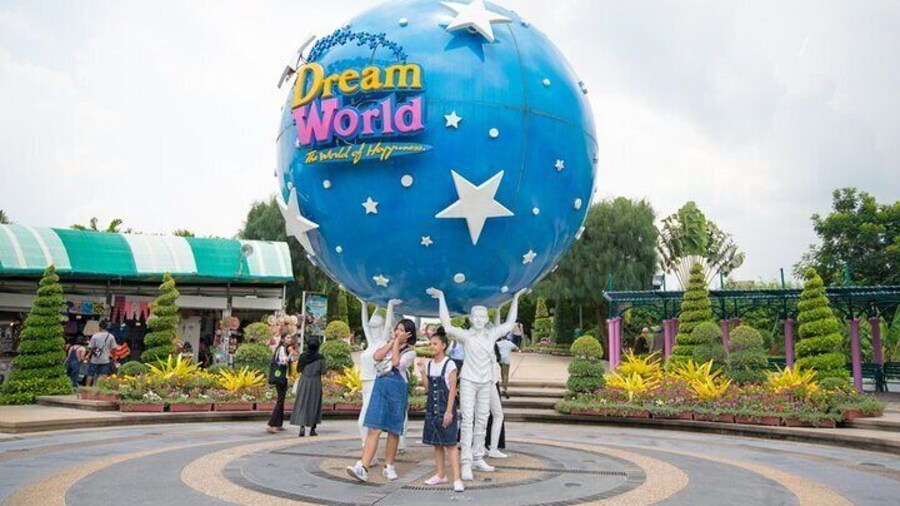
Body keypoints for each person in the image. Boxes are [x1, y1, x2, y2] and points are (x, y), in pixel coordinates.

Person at [427, 287, 525, 482]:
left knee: (483, 419)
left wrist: (516, 298)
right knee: (467, 420)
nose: (480, 320)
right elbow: (446, 325)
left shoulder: (491, 335)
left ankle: (478, 456)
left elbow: (510, 323)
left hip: (486, 382)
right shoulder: (467, 336)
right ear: (472, 319)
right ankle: (465, 462)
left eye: (483, 316)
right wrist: (442, 298)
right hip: (470, 381)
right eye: (476, 317)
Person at [347, 319, 417, 483]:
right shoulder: (388, 343)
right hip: (380, 388)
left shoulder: (410, 352)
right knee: (374, 428)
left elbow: (396, 363)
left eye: (402, 330)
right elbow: (377, 357)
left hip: (397, 390)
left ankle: (389, 466)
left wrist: (397, 344)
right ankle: (363, 467)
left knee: (393, 430)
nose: (398, 332)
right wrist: (393, 342)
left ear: (409, 334)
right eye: (397, 329)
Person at [417, 328, 464, 492]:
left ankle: (457, 479)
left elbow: (452, 389)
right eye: (431, 344)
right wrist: (422, 372)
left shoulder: (449, 364)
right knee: (436, 444)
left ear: (443, 346)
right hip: (432, 409)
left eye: (435, 344)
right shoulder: (430, 364)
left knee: (450, 444)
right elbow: (428, 388)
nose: (432, 346)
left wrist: (449, 411)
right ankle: (440, 475)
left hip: (445, 408)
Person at [358, 298, 400, 452]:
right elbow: (364, 324)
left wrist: (389, 305)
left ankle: (367, 450)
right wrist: (364, 305)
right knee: (366, 421)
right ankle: (367, 450)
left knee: (363, 421)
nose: (373, 330)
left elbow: (388, 324)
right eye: (372, 327)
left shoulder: (382, 342)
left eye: (377, 327)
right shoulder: (370, 342)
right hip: (365, 384)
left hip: (375, 384)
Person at [290, 337, 325, 437]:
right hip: (315, 382)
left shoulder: (303, 356)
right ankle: (312, 429)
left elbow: (298, 369)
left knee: (302, 402)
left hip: (304, 381)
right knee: (314, 403)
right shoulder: (320, 357)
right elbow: (324, 371)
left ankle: (302, 427)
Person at [266, 333, 299, 434]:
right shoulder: (281, 348)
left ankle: (278, 424)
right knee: (280, 400)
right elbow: (283, 362)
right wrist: (290, 354)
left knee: (282, 399)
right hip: (280, 377)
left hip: (283, 377)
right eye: (287, 337)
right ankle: (271, 424)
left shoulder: (285, 348)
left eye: (290, 337)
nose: (289, 339)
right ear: (283, 339)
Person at [86, 321, 117, 386]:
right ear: (107, 327)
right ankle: (102, 388)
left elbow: (91, 348)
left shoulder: (95, 336)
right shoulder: (111, 336)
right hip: (105, 360)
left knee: (90, 374)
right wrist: (114, 358)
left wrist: (88, 357)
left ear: (99, 327)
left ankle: (87, 388)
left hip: (94, 360)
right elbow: (114, 349)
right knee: (104, 375)